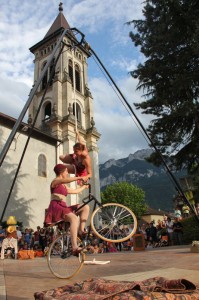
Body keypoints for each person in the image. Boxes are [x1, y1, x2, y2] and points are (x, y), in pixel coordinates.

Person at [44, 163, 89, 256]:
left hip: (63, 206)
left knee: (85, 207)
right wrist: (78, 178)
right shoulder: (55, 182)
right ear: (61, 172)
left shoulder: (63, 186)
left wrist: (84, 187)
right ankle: (74, 247)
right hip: (56, 206)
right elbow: (66, 180)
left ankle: (81, 230)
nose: (67, 173)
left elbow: (75, 191)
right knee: (74, 218)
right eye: (66, 171)